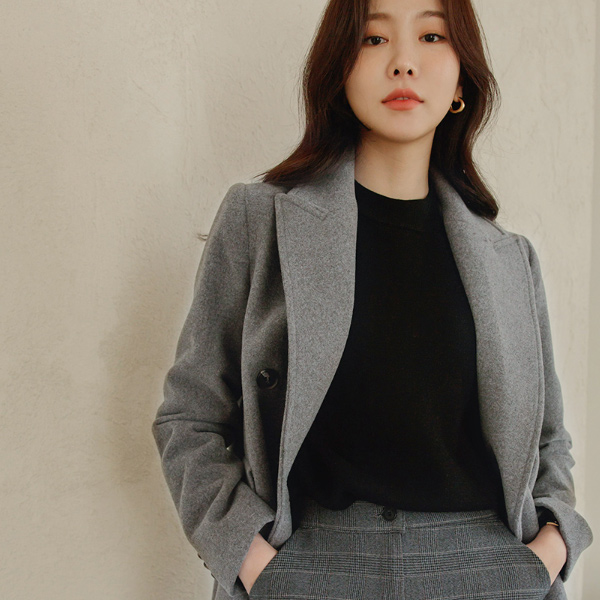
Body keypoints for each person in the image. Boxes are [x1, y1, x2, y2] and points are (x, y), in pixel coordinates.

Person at [151, 0, 593, 598]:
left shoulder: (510, 259)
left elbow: (548, 440)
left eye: (432, 36)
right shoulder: (261, 221)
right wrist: (256, 564)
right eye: (373, 38)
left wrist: (546, 553)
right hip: (311, 568)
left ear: (461, 79)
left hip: (491, 571)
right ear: (338, 67)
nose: (404, 62)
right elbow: (190, 417)